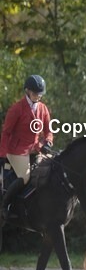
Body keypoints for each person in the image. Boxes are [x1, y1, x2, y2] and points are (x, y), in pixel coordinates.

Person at [0, 75, 54, 221]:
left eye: (40, 94)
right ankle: (4, 205)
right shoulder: (17, 109)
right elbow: (6, 133)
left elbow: (49, 130)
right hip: (17, 150)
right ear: (28, 91)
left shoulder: (43, 109)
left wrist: (48, 142)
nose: (39, 96)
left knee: (54, 168)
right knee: (25, 176)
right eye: (36, 93)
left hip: (36, 148)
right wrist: (2, 155)